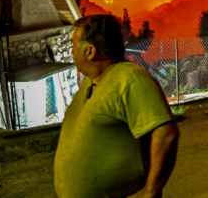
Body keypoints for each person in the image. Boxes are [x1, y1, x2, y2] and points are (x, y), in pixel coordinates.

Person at [54, 15, 179, 198]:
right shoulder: (91, 80)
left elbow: (166, 134)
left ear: (90, 51)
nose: (71, 51)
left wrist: (151, 192)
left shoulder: (130, 79)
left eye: (74, 44)